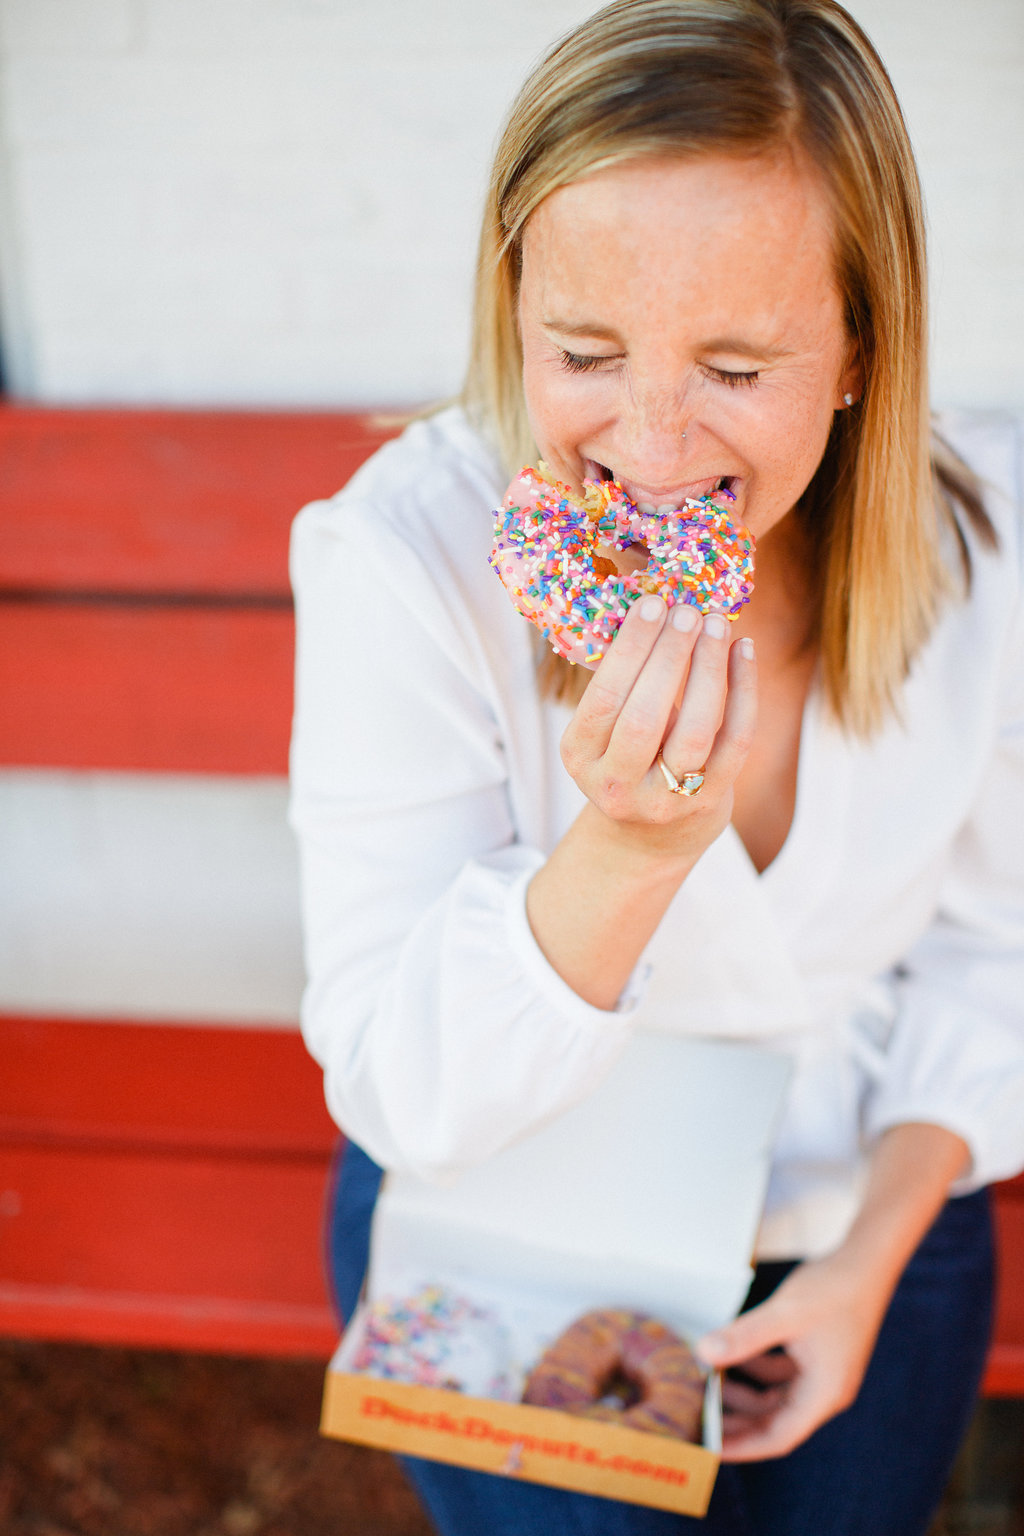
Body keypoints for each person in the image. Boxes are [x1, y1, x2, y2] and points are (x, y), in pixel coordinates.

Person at [288, 1, 1024, 1531]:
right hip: (508, 1209)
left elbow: (992, 953)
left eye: (739, 366)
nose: (655, 442)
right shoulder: (404, 557)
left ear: (857, 354)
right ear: (513, 308)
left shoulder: (985, 545)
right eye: (585, 350)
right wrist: (620, 855)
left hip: (861, 1193)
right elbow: (402, 1088)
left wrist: (867, 1256)